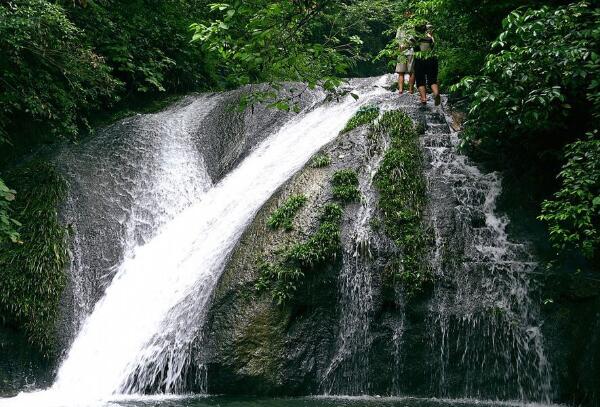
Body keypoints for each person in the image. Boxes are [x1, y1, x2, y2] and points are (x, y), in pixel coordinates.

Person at [413, 23, 441, 106]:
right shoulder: (430, 37)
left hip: (419, 61)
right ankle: (436, 93)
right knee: (432, 80)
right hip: (432, 60)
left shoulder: (414, 38)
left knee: (420, 81)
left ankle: (424, 98)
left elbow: (405, 46)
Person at [395, 23, 415, 94]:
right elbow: (397, 39)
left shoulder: (412, 26)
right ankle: (401, 90)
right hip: (404, 52)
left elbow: (397, 39)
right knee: (402, 72)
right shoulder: (402, 27)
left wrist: (402, 45)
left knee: (411, 72)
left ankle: (410, 90)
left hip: (410, 52)